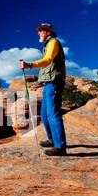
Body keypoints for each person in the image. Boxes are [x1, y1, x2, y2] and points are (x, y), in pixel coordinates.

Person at [19, 23, 67, 156]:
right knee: (45, 115)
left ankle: (60, 147)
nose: (38, 33)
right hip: (48, 83)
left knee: (53, 114)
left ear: (48, 32)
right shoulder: (47, 44)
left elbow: (48, 60)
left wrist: (30, 65)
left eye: (41, 31)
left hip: (54, 82)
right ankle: (53, 140)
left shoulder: (54, 42)